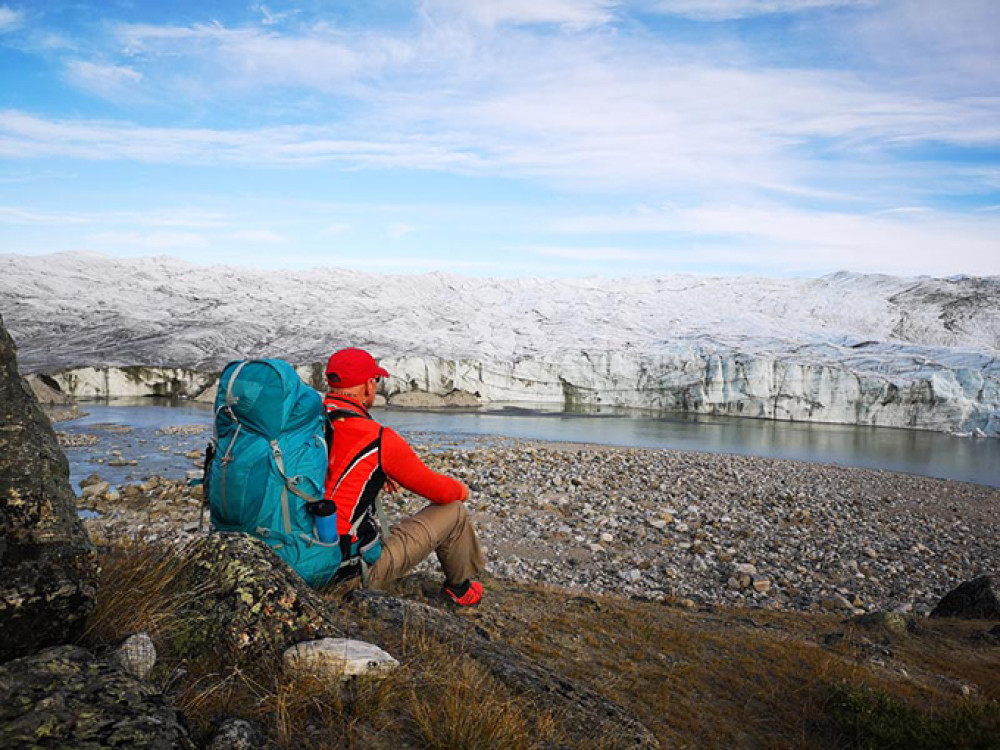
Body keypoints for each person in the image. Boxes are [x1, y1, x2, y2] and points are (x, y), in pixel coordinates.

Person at [322, 347, 486, 606]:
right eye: (376, 380)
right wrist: (462, 490)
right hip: (342, 573)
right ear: (368, 385)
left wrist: (377, 473)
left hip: (290, 554)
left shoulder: (306, 422)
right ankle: (461, 590)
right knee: (453, 511)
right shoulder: (377, 438)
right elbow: (440, 491)